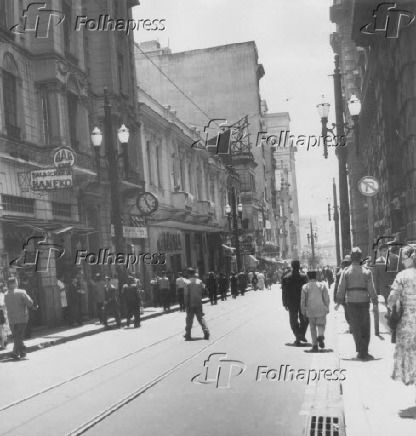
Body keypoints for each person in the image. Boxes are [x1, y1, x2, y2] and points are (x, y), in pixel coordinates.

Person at [387, 244, 416, 414]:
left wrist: (392, 308)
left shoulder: (402, 276)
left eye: (404, 257)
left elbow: (392, 298)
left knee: (412, 356)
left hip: (408, 324)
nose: (403, 261)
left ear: (411, 258)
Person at [337, 247, 379, 360]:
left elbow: (341, 287)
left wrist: (339, 301)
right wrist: (375, 300)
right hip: (364, 301)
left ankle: (360, 350)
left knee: (355, 327)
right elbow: (371, 288)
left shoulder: (346, 271)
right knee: (365, 326)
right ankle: (364, 351)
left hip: (351, 301)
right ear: (361, 257)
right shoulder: (366, 271)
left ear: (351, 258)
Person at [4, 277, 33, 359]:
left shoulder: (5, 294)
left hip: (11, 320)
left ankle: (21, 351)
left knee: (17, 336)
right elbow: (30, 303)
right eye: (16, 282)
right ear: (14, 283)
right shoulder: (21, 292)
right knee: (19, 336)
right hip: (22, 318)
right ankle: (16, 351)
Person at [301, 271, 330, 352]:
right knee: (321, 325)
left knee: (312, 328)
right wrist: (327, 308)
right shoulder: (322, 285)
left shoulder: (305, 287)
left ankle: (314, 346)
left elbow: (303, 301)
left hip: (310, 310)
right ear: (316, 276)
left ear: (308, 277)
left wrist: (303, 312)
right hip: (321, 309)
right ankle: (320, 336)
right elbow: (326, 298)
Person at [282, 260, 309, 345]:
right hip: (302, 301)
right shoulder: (304, 277)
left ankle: (298, 335)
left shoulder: (286, 277)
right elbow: (307, 290)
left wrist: (285, 303)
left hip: (291, 302)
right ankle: (300, 334)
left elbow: (284, 292)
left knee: (293, 320)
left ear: (292, 266)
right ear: (299, 266)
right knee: (304, 319)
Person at [184, 268, 210, 341]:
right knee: (200, 318)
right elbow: (203, 289)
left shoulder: (187, 282)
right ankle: (206, 331)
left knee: (189, 319)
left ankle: (188, 334)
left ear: (188, 274)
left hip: (190, 303)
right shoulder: (200, 281)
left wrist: (186, 304)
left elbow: (186, 294)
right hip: (198, 302)